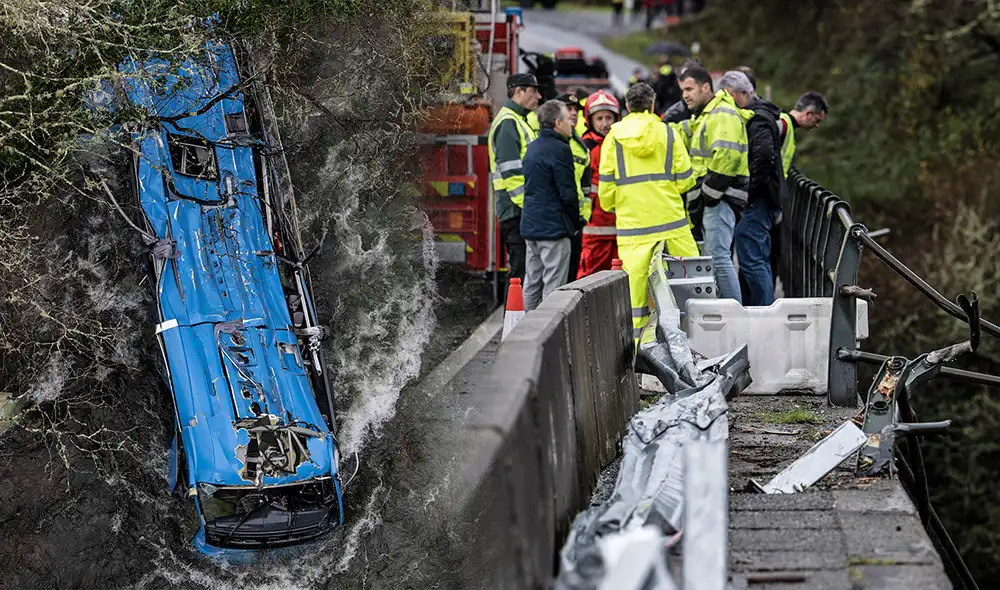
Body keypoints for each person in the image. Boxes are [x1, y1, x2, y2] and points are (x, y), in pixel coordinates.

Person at [598, 83, 699, 346]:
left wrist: (613, 204)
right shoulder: (667, 133)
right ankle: (693, 344)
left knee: (635, 294)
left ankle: (639, 352)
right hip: (670, 221)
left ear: (627, 107)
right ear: (652, 105)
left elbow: (606, 184)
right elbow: (686, 179)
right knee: (689, 281)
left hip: (633, 226)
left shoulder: (614, 137)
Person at [679, 66, 750, 303]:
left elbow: (726, 158)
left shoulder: (721, 113)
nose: (685, 95)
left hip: (721, 198)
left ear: (705, 87)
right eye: (683, 90)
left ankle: (733, 315)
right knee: (713, 258)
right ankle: (725, 313)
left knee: (718, 258)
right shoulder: (708, 115)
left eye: (689, 89)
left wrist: (707, 195)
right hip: (718, 197)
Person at [719, 71, 785, 306]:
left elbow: (764, 156)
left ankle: (763, 313)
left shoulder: (757, 119)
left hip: (757, 200)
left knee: (752, 260)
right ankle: (759, 307)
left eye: (729, 97)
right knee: (757, 258)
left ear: (744, 93)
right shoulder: (763, 115)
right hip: (764, 198)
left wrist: (748, 189)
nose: (726, 104)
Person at [520, 100, 583, 311]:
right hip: (553, 227)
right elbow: (567, 193)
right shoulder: (560, 150)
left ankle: (525, 329)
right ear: (557, 123)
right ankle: (547, 338)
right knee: (554, 285)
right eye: (567, 120)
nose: (571, 124)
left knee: (532, 282)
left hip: (531, 225)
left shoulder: (532, 148)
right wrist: (574, 223)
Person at [488, 73, 541, 298]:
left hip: (519, 208)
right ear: (518, 92)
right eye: (533, 91)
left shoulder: (518, 120)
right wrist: (529, 207)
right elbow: (512, 173)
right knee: (520, 272)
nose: (538, 96)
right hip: (516, 210)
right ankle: (514, 326)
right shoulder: (509, 122)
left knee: (525, 270)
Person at [771, 91, 829, 286]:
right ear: (808, 114)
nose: (817, 125)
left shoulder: (786, 126)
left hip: (774, 195)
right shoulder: (783, 125)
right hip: (769, 197)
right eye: (817, 119)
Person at [578, 89, 621, 278]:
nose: (605, 123)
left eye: (608, 118)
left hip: (622, 226)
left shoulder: (623, 142)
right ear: (590, 121)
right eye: (600, 118)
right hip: (594, 227)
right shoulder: (585, 147)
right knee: (590, 277)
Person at [554, 92, 592, 283]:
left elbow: (585, 189)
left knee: (571, 275)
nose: (574, 113)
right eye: (568, 109)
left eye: (576, 109)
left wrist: (583, 216)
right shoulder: (552, 143)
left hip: (574, 220)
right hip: (555, 220)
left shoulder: (580, 146)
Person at [660, 58, 703, 125]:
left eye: (690, 77)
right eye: (682, 78)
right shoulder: (672, 116)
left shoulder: (717, 110)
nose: (686, 82)